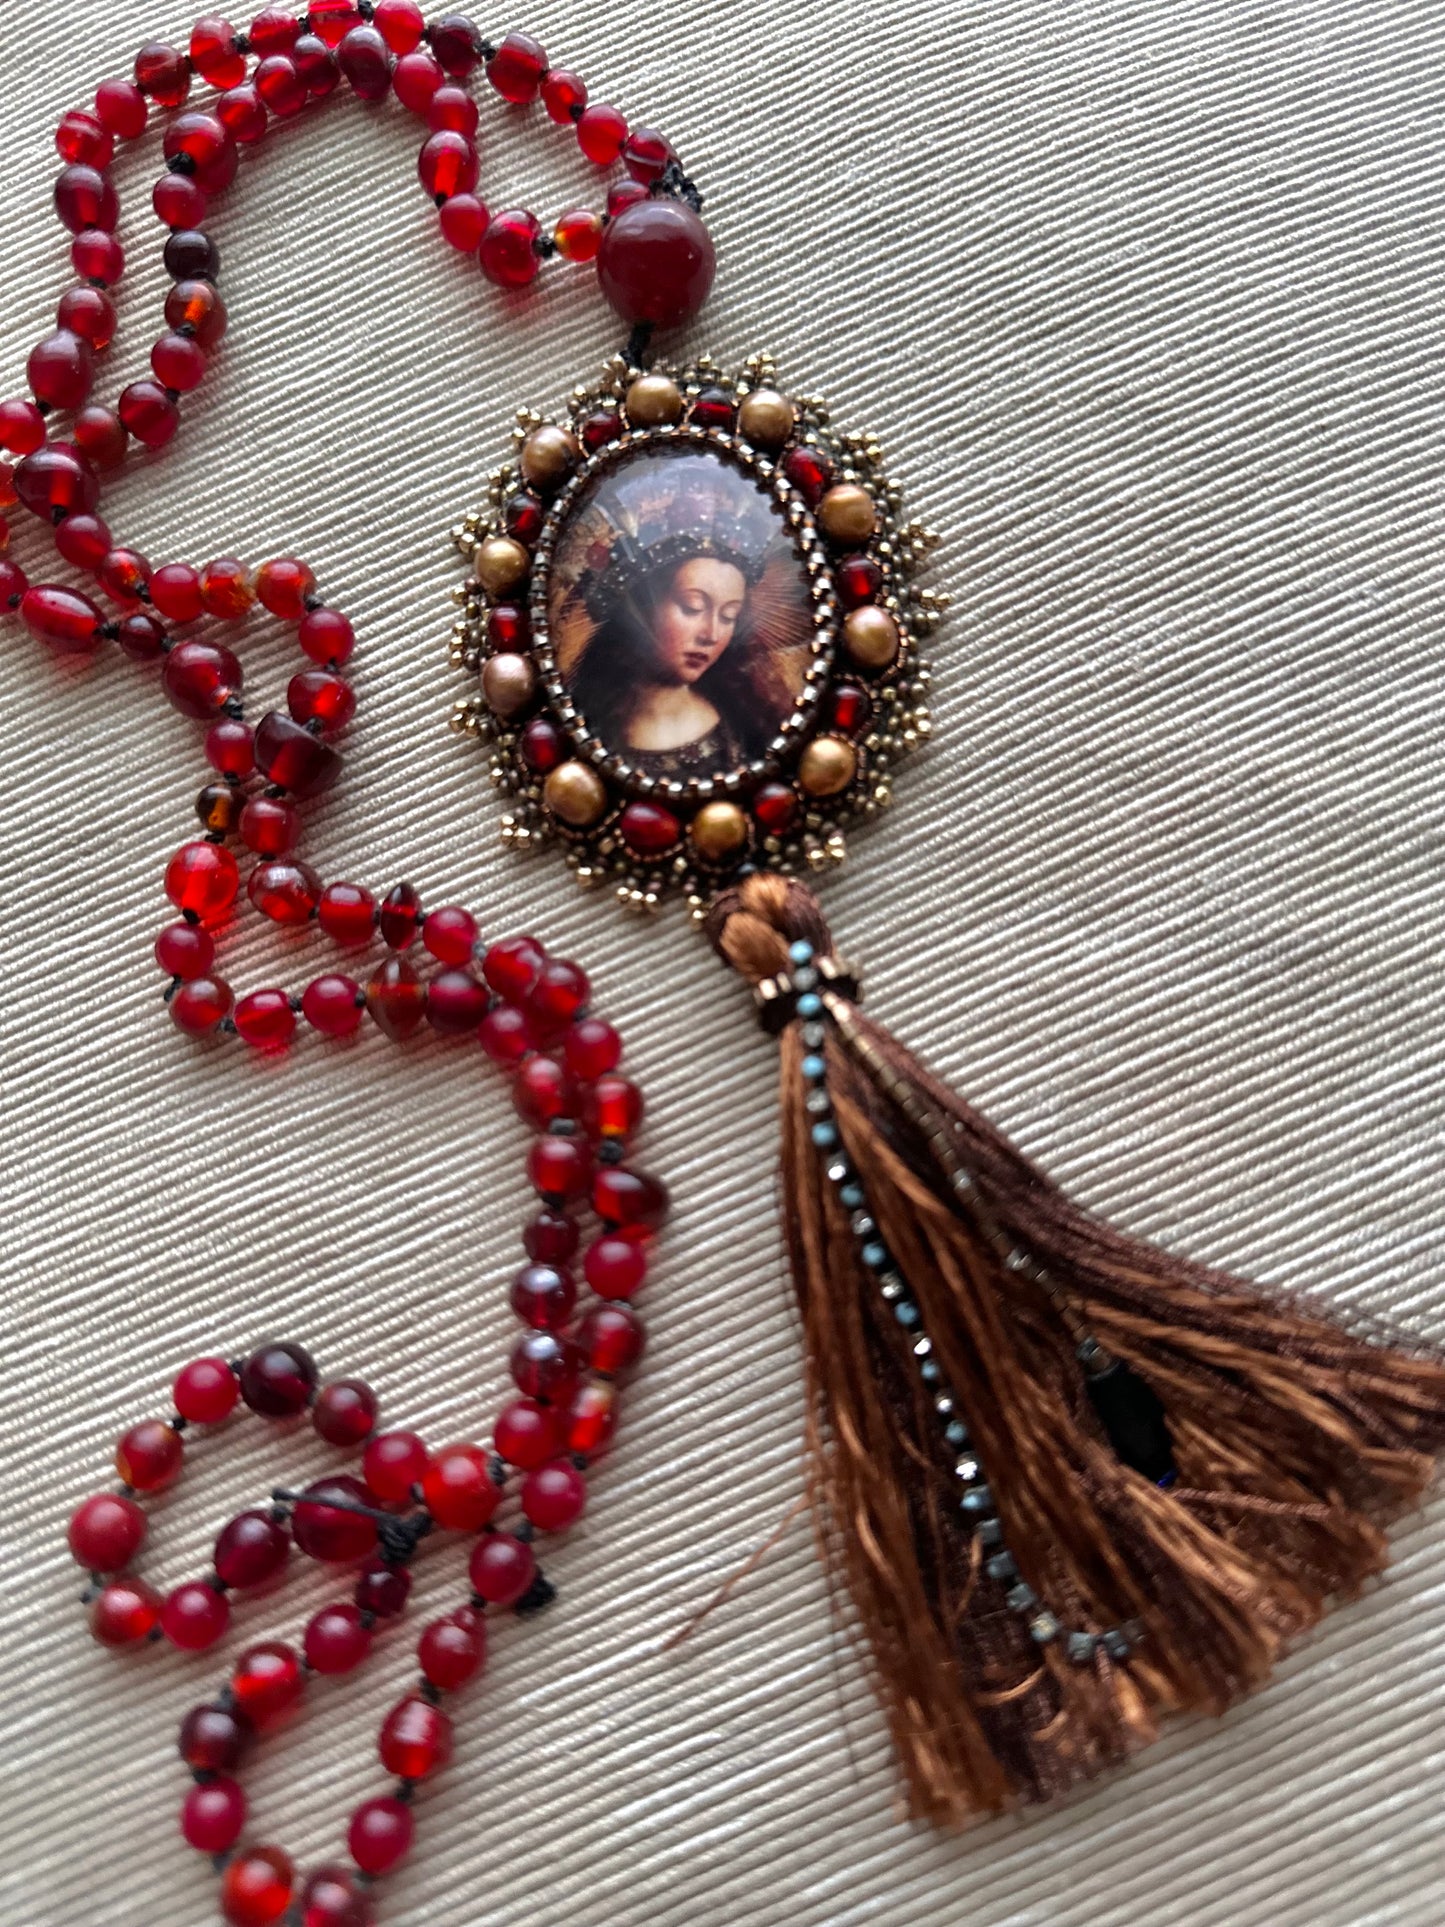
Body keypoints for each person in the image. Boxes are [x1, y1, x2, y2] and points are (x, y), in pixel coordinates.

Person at [569, 542, 772, 779]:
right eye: (692, 607)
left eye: (729, 617)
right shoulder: (586, 727)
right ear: (642, 609)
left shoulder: (740, 718)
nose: (711, 635)